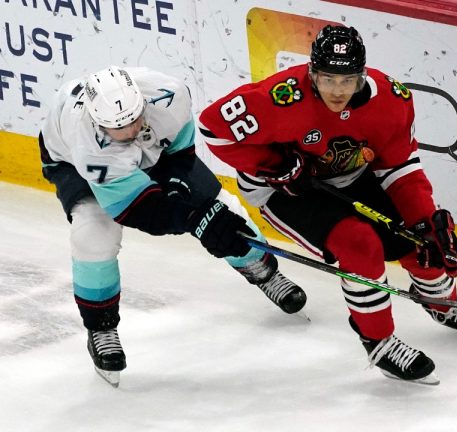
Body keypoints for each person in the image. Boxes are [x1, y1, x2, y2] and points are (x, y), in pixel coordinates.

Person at [198, 25, 457, 385]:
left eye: (347, 80)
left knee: (420, 237)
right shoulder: (281, 99)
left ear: (362, 75)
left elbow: (400, 168)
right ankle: (379, 341)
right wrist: (274, 165)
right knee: (359, 244)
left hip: (351, 177)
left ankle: (442, 303)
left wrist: (424, 220)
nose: (337, 91)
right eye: (327, 79)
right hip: (285, 191)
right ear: (312, 73)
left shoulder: (392, 99)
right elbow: (213, 128)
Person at [38, 66, 306, 386]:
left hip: (154, 154)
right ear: (98, 123)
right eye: (118, 127)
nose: (130, 129)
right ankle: (101, 328)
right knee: (95, 235)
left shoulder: (169, 94)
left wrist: (182, 188)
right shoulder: (90, 144)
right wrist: (193, 219)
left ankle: (264, 272)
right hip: (72, 164)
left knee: (223, 206)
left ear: (141, 101)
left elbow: (180, 153)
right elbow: (139, 210)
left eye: (135, 118)